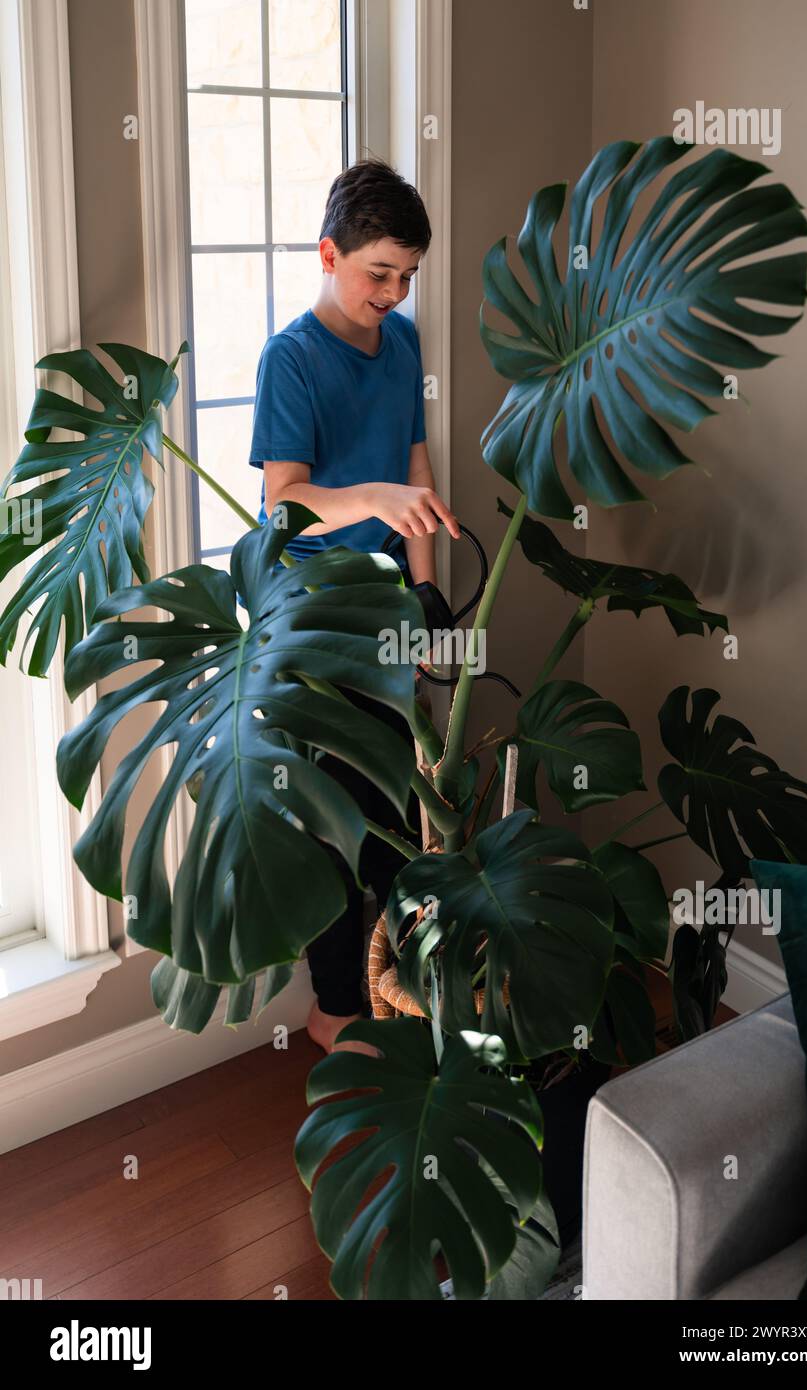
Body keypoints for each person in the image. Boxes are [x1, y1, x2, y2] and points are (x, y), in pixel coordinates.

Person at [248, 157, 459, 1058]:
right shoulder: (291, 359)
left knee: (398, 820)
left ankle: (392, 994)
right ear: (329, 253)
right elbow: (283, 504)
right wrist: (368, 498)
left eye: (406, 275)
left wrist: (423, 590)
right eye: (379, 272)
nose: (394, 291)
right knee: (335, 834)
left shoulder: (402, 342)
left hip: (385, 613)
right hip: (315, 630)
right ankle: (332, 1011)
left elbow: (415, 468)